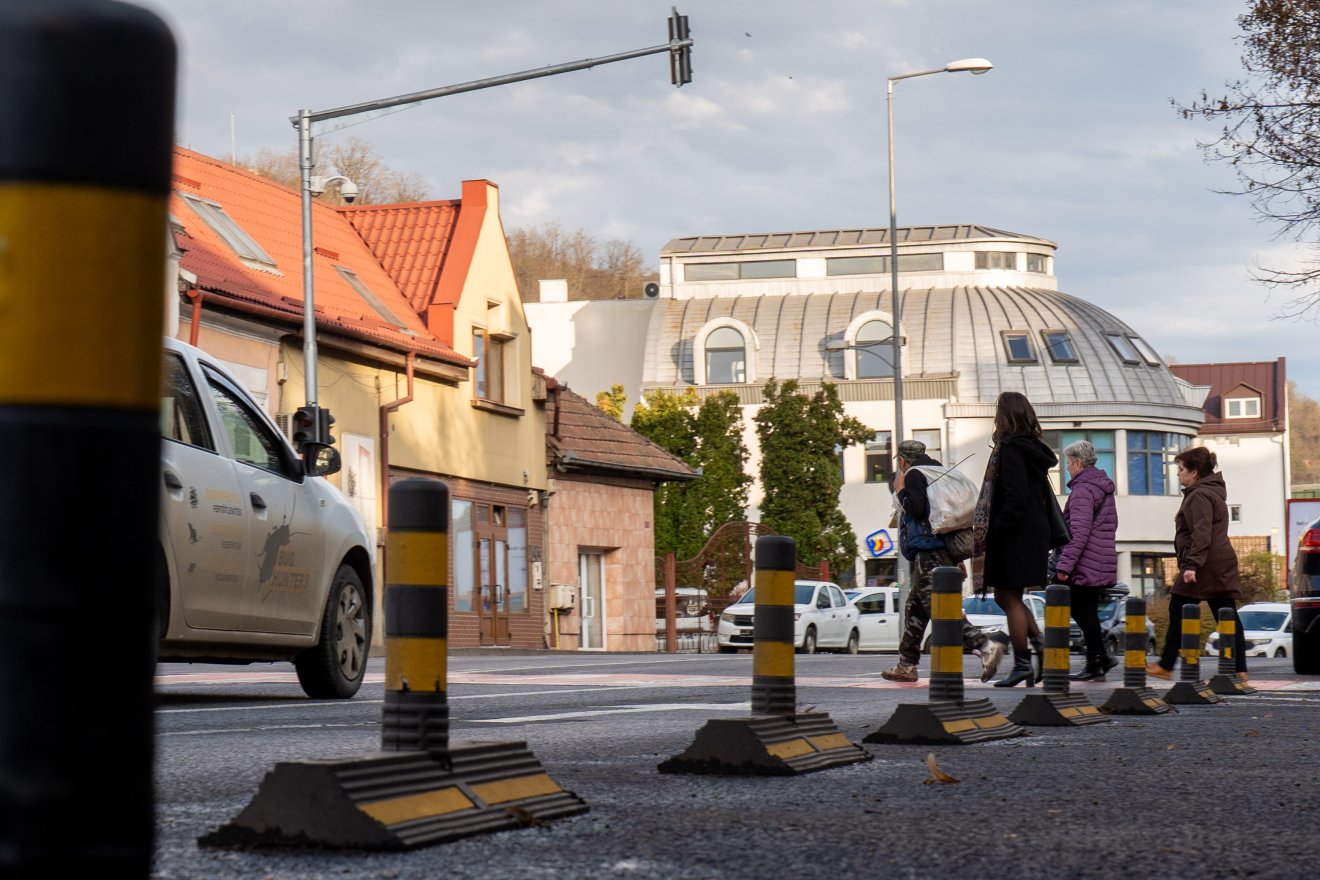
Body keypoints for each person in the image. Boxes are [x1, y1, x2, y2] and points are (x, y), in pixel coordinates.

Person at [882, 439, 1008, 684]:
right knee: (915, 609)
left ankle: (985, 645)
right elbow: (942, 515)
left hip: (929, 553)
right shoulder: (937, 471)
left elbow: (917, 509)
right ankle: (906, 664)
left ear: (901, 460)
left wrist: (900, 490)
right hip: (940, 551)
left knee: (941, 610)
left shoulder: (914, 475)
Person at [973, 392, 1058, 688]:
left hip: (1015, 531)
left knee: (1008, 597)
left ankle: (1023, 663)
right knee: (1008, 596)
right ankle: (1039, 647)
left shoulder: (1010, 449)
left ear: (1006, 415)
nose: (995, 416)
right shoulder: (1031, 449)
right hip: (1032, 530)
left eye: (998, 411)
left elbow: (1015, 496)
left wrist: (996, 527)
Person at [1147, 446, 1248, 680]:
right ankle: (1240, 669)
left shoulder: (1199, 495)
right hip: (1219, 563)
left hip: (1204, 566)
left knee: (1177, 608)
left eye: (1181, 469)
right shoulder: (1212, 492)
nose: (1178, 474)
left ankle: (1166, 665)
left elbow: (1201, 533)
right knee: (1227, 614)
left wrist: (1191, 565)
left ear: (1194, 472)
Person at [1054, 440, 1119, 681]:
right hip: (1097, 559)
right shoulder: (1101, 487)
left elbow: (1078, 532)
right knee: (1086, 611)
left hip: (1084, 561)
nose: (1067, 469)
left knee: (1080, 610)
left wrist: (1064, 565)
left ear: (1078, 463)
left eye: (1069, 463)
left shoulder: (1083, 490)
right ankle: (1100, 659)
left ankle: (1096, 660)